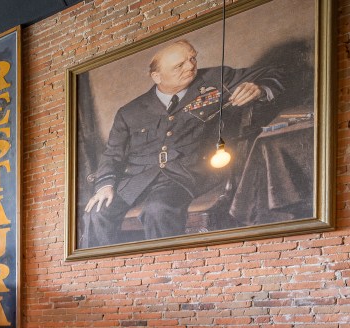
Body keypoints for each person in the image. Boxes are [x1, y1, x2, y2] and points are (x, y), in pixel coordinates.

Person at [82, 39, 282, 248]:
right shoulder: (130, 112)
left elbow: (277, 72)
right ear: (157, 76)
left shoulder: (216, 79)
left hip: (188, 173)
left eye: (192, 58)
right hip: (137, 179)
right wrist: (105, 185)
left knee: (158, 210)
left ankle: (165, 272)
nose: (191, 66)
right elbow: (113, 154)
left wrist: (259, 89)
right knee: (97, 212)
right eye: (180, 65)